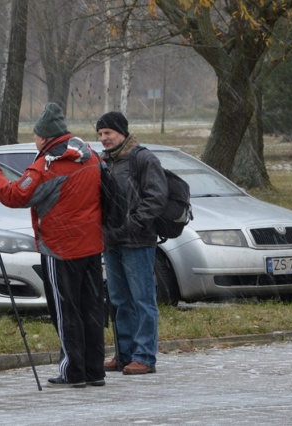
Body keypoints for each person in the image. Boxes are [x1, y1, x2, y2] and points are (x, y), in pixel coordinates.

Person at [0, 102, 105, 388]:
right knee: (91, 309)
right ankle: (95, 371)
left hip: (60, 248)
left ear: (44, 137)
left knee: (65, 311)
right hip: (92, 244)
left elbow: (14, 195)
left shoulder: (48, 165)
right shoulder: (91, 156)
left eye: (35, 135)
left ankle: (72, 372)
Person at [97, 111, 168, 375]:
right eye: (101, 134)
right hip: (112, 242)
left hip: (138, 242)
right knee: (118, 300)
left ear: (122, 132)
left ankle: (145, 357)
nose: (104, 138)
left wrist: (131, 225)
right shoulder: (106, 162)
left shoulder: (143, 158)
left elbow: (156, 199)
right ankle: (124, 354)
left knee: (142, 300)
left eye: (108, 133)